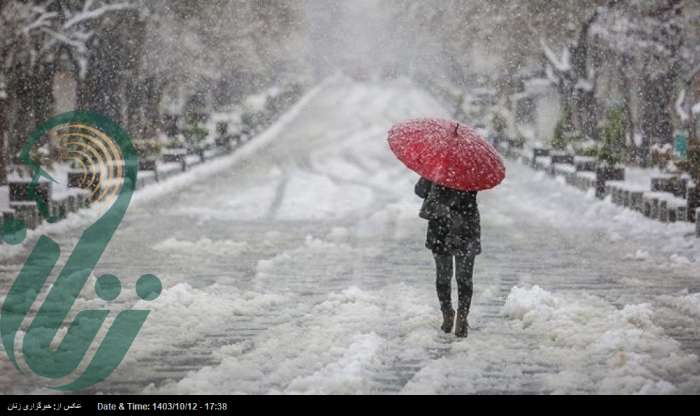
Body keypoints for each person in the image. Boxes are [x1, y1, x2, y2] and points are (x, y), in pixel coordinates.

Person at [414, 177, 481, 338]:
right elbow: (473, 193)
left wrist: (431, 179)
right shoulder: (470, 169)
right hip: (466, 226)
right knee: (464, 277)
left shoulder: (438, 168)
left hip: (440, 226)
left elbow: (420, 191)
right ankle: (462, 318)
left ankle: (447, 314)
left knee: (443, 276)